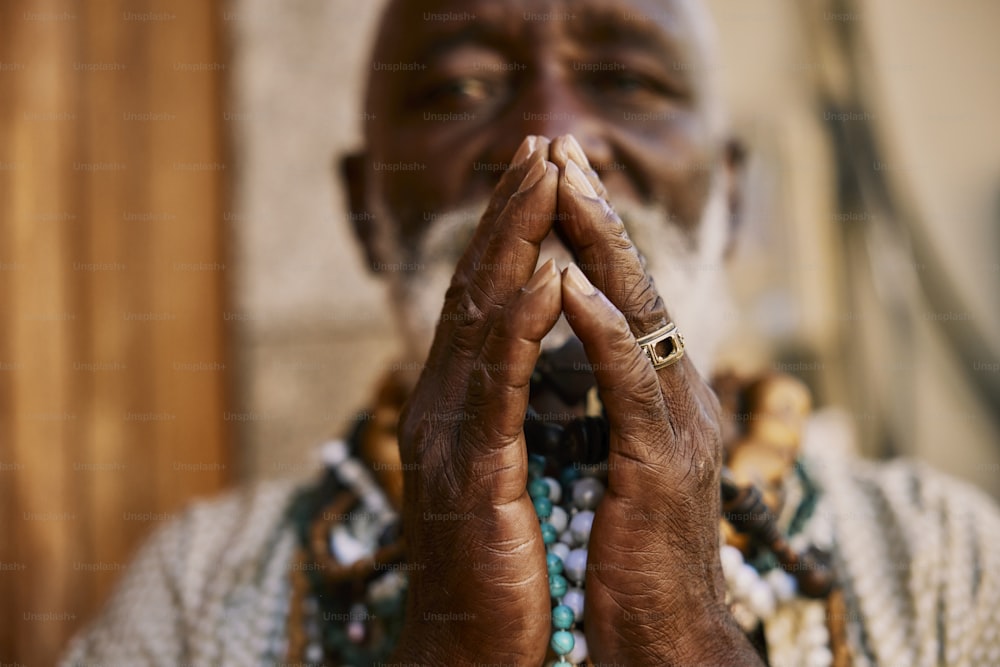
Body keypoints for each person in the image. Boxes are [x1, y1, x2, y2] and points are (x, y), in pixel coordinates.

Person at [61, 0, 1000, 665]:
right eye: (461, 90)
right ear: (363, 211)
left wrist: (688, 641)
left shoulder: (949, 563)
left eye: (629, 80)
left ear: (730, 190)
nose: (555, 139)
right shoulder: (197, 591)